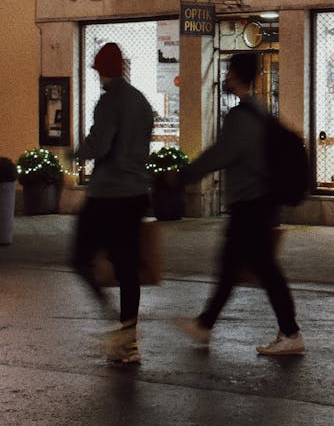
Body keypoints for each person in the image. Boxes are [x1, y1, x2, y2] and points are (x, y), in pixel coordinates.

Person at [174, 50, 304, 356]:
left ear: (237, 75)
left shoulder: (240, 117)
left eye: (229, 71)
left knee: (262, 270)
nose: (226, 76)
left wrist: (184, 175)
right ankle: (206, 324)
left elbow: (221, 154)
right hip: (259, 203)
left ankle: (291, 332)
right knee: (233, 268)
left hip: (250, 205)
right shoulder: (259, 111)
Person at [72, 42, 154, 365]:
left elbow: (100, 144)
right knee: (127, 269)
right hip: (135, 195)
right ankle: (129, 340)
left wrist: (77, 152)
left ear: (102, 70)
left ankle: (113, 323)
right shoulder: (141, 102)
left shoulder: (108, 102)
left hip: (107, 195)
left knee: (79, 258)